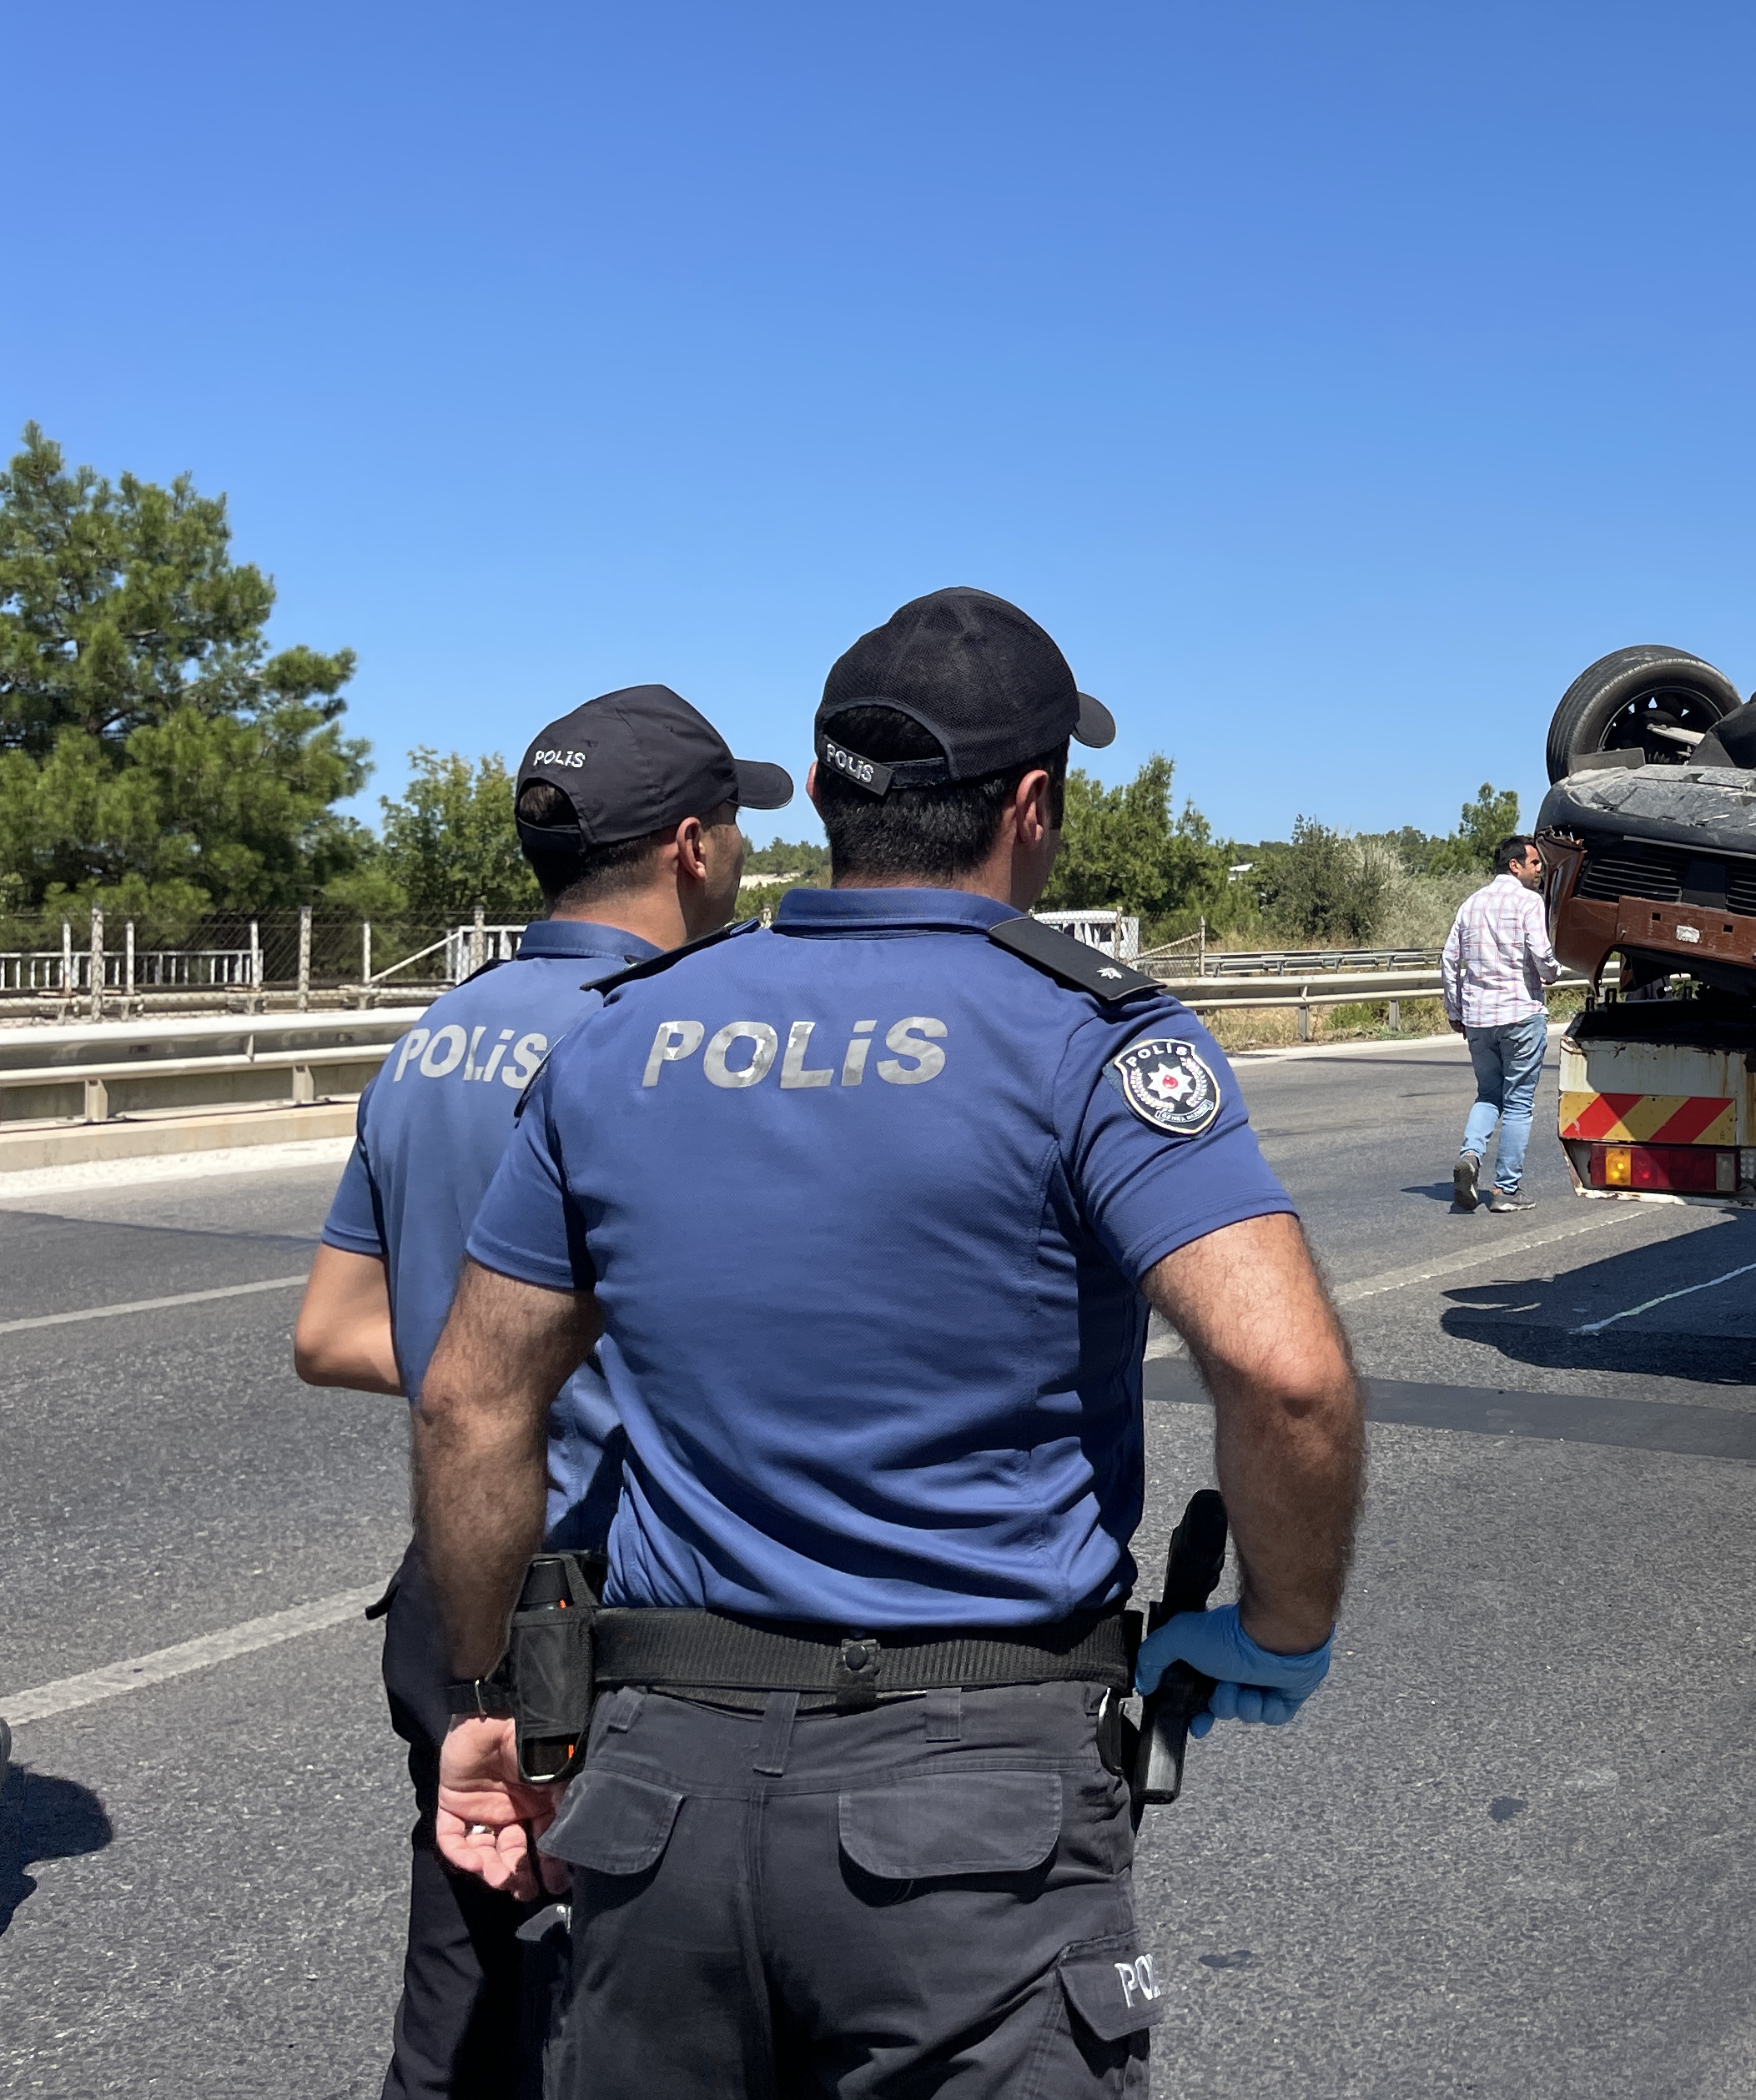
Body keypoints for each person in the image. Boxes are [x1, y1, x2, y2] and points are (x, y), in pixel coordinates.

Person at [415, 588, 1368, 2097]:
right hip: (971, 1817)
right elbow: (1286, 1369)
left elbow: (472, 1401)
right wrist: (1280, 1630)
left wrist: (487, 1707)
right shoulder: (1088, 1037)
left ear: (838, 789)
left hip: (657, 1794)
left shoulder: (629, 1031)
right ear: (1033, 803)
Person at [291, 686, 784, 2100]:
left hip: (455, 1591)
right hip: (626, 1616)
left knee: (457, 2009)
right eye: (737, 825)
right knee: (635, 2026)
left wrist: (480, 1368)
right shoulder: (690, 1041)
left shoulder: (434, 1035)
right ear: (693, 845)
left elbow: (330, 1329)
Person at [1442, 834, 1559, 1214]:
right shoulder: (1529, 902)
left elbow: (1449, 960)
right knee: (1519, 1103)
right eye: (1535, 863)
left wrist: (1456, 1010)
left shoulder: (1471, 904)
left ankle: (1471, 1154)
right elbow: (1542, 955)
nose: (1540, 870)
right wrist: (1552, 973)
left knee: (1487, 1094)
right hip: (1520, 1015)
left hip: (1478, 1019)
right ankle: (1506, 1189)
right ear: (1515, 865)